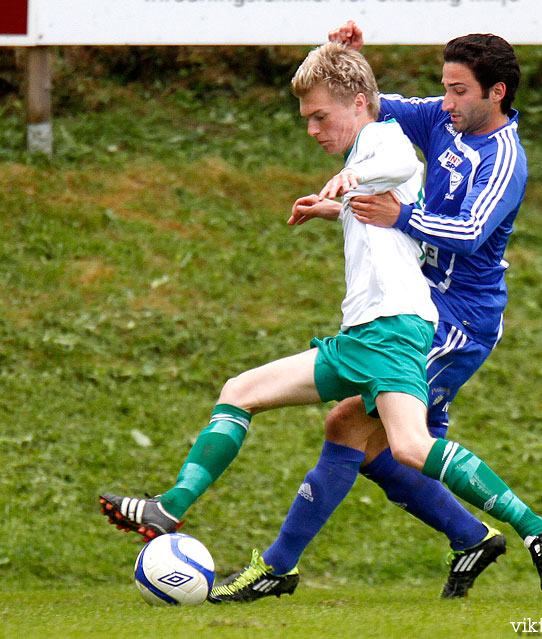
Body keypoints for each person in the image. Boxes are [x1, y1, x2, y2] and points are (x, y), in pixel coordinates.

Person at [98, 41, 487, 602]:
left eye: (319, 117)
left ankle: (528, 528)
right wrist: (337, 203)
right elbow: (391, 198)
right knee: (253, 396)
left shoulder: (382, 140)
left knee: (407, 447)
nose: (312, 130)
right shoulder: (365, 151)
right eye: (307, 120)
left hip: (398, 329)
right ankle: (172, 509)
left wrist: (349, 182)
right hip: (367, 335)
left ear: (358, 104)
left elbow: (402, 161)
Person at [210, 22, 542, 602]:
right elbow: (371, 105)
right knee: (381, 444)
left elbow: (472, 233)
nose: (445, 100)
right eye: (445, 88)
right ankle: (473, 536)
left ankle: (533, 529)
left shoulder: (505, 157)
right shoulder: (444, 120)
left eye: (459, 90)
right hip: (421, 301)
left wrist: (398, 216)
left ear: (496, 93)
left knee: (356, 428)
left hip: (458, 319)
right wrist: (346, 60)